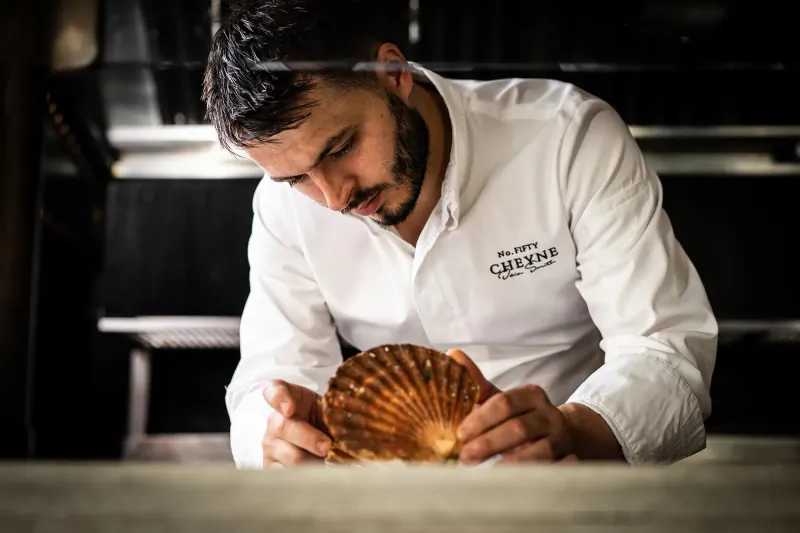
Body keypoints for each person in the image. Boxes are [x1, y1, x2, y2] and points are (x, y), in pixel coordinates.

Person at [202, 0, 718, 469]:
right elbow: (269, 375)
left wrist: (572, 431)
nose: (335, 198)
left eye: (339, 149)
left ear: (393, 74)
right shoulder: (283, 207)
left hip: (571, 475)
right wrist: (272, 434)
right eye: (296, 178)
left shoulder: (567, 138)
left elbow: (664, 349)